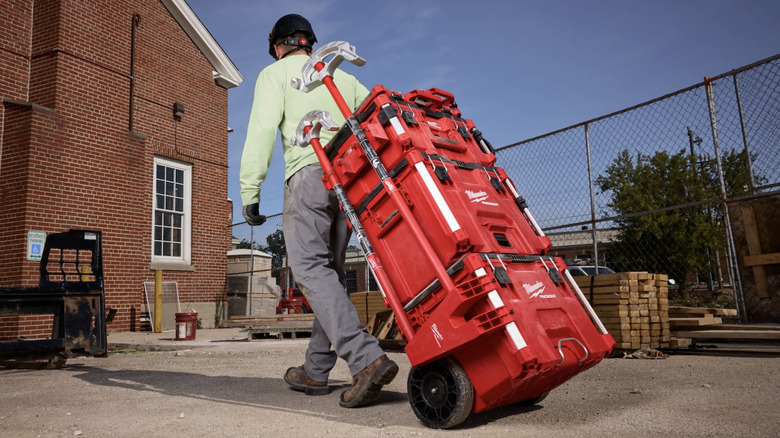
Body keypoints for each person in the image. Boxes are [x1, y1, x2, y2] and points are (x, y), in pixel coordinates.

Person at [239, 14, 398, 408]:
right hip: (349, 177)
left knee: (309, 269)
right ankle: (316, 369)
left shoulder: (274, 74)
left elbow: (261, 129)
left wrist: (250, 189)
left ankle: (365, 359)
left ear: (278, 45)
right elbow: (379, 110)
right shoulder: (339, 75)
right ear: (310, 42)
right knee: (327, 273)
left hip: (309, 173)